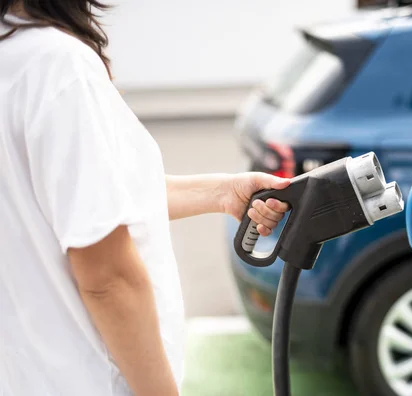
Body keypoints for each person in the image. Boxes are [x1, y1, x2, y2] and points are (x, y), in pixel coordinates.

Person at [0, 1, 291, 395]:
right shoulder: (56, 66)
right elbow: (107, 276)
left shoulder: (13, 56)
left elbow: (90, 200)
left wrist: (222, 192)